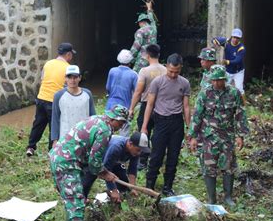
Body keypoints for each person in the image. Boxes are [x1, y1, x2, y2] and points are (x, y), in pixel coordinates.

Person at [49, 105, 129, 221]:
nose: (122, 126)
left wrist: (105, 172)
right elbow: (94, 162)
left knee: (70, 198)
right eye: (121, 122)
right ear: (114, 119)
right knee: (77, 201)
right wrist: (106, 173)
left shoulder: (97, 119)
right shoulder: (105, 131)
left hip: (61, 157)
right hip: (66, 162)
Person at [188, 65, 249, 206]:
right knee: (209, 167)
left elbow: (240, 114)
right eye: (213, 80)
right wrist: (192, 137)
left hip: (227, 135)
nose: (216, 83)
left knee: (228, 166)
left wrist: (240, 135)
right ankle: (212, 198)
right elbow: (197, 115)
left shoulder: (234, 93)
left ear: (224, 79)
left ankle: (228, 197)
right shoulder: (205, 94)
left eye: (219, 80)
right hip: (208, 137)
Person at [140, 53, 191, 196]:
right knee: (156, 155)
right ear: (166, 66)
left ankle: (168, 187)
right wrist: (144, 126)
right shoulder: (157, 82)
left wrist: (190, 128)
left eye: (177, 72)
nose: (173, 75)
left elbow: (186, 107)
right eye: (171, 71)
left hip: (176, 122)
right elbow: (149, 105)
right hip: (160, 121)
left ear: (181, 69)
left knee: (173, 156)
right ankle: (150, 185)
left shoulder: (184, 83)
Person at [26, 43, 75, 156]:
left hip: (41, 98)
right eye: (71, 54)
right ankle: (51, 150)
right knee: (54, 126)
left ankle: (31, 147)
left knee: (38, 123)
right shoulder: (68, 68)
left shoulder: (48, 63)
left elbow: (43, 78)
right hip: (54, 101)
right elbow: (68, 86)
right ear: (68, 54)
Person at [82, 132, 151, 198]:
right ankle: (81, 199)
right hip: (97, 160)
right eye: (138, 150)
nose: (139, 153)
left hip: (115, 162)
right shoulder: (116, 147)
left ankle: (121, 196)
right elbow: (107, 170)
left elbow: (132, 169)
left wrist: (133, 187)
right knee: (88, 180)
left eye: (141, 151)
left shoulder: (135, 151)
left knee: (123, 183)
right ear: (130, 144)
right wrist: (113, 190)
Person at [51, 65, 96, 148]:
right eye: (69, 77)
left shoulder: (87, 94)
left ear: (80, 78)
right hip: (65, 137)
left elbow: (93, 117)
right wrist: (55, 140)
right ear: (65, 78)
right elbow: (55, 118)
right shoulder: (58, 95)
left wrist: (94, 136)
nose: (72, 80)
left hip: (84, 136)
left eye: (75, 77)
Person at [212, 28, 246, 101]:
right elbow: (214, 39)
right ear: (231, 36)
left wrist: (227, 62)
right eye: (234, 37)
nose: (235, 39)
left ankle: (243, 106)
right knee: (222, 87)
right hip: (228, 71)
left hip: (238, 71)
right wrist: (215, 42)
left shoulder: (241, 48)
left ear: (240, 38)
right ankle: (220, 103)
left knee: (239, 89)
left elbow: (237, 60)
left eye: (237, 38)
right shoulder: (226, 42)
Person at [130, 1, 157, 73]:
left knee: (136, 77)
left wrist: (129, 58)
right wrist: (149, 8)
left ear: (140, 22)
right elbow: (152, 20)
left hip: (142, 60)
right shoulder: (153, 29)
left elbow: (136, 46)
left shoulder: (140, 31)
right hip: (153, 59)